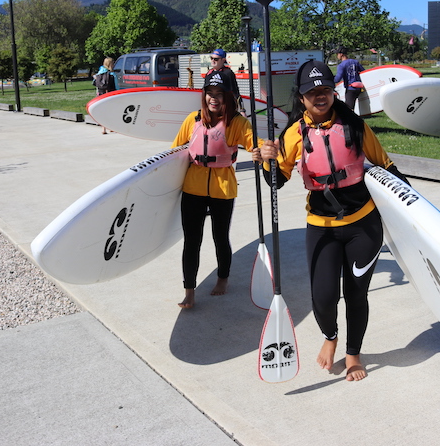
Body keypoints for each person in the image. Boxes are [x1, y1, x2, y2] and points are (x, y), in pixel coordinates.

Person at [254, 60, 407, 381]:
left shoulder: (355, 126)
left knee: (356, 294)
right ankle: (330, 336)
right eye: (312, 92)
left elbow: (388, 168)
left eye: (325, 89)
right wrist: (266, 162)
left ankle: (353, 354)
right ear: (301, 98)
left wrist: (415, 209)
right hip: (322, 227)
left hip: (364, 226)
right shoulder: (293, 135)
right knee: (322, 296)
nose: (319, 96)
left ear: (333, 92)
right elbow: (275, 182)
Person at [172, 71, 258, 309]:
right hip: (193, 187)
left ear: (228, 97)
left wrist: (261, 153)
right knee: (192, 240)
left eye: (219, 94)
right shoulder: (193, 120)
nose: (214, 98)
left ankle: (223, 278)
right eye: (210, 93)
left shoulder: (237, 122)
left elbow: (255, 145)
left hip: (223, 187)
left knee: (220, 237)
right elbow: (175, 151)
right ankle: (189, 290)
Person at [205, 48, 244, 113]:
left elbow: (235, 91)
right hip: (211, 107)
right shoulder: (209, 73)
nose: (213, 61)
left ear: (223, 60)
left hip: (225, 107)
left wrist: (242, 110)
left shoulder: (228, 73)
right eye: (211, 58)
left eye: (216, 59)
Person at [94, 57, 116, 134]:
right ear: (110, 64)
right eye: (113, 63)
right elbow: (114, 86)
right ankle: (111, 127)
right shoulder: (111, 74)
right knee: (110, 111)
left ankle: (103, 129)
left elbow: (95, 83)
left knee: (103, 111)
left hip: (100, 94)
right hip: (109, 94)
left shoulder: (99, 73)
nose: (114, 65)